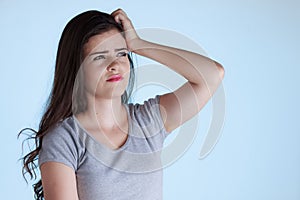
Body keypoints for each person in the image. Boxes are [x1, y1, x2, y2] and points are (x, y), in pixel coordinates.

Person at [19, 8, 224, 200]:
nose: (115, 65)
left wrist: (139, 44)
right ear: (77, 69)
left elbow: (213, 75)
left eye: (122, 54)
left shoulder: (149, 121)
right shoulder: (65, 139)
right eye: (99, 57)